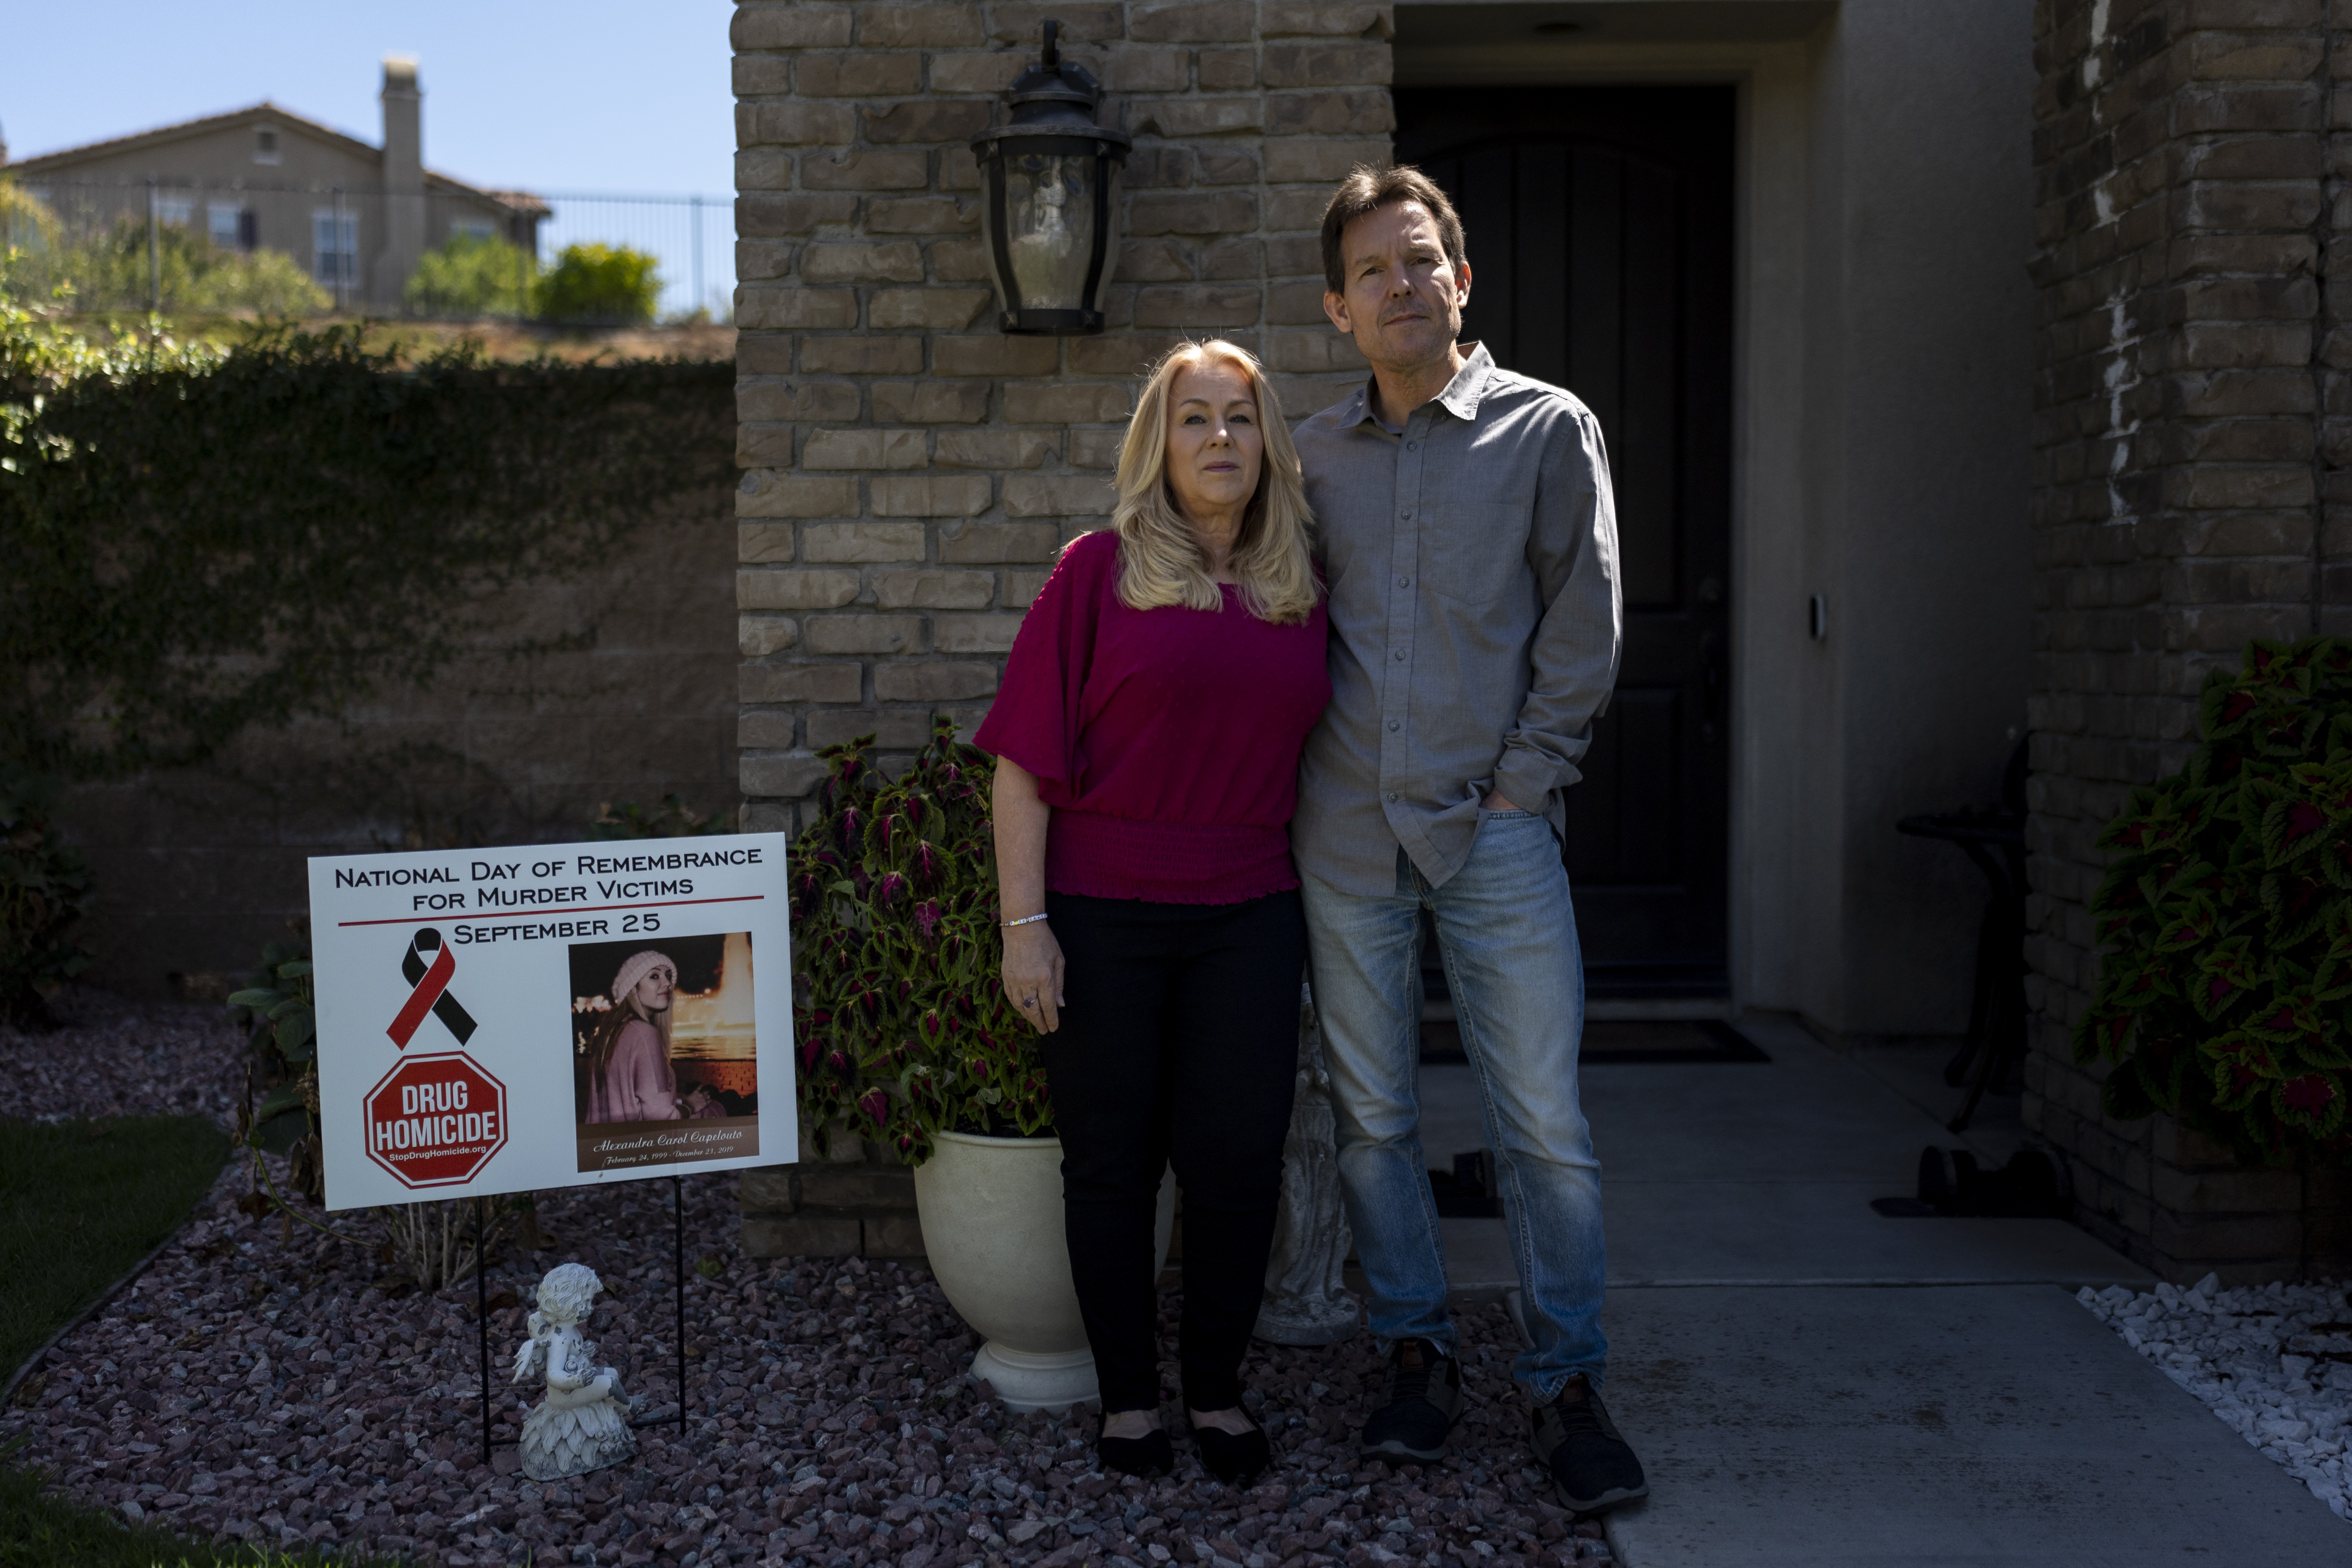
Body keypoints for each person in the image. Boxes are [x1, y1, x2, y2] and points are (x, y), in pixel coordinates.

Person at [1290, 164, 1649, 1514]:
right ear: (1338, 305)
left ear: (1463, 279)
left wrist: (1524, 783)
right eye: (1372, 270)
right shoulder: (1310, 455)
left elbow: (1586, 628)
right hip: (1343, 839)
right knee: (1374, 1120)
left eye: (1419, 259)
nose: (1400, 284)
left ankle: (1566, 1381)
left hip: (1495, 837)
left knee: (1543, 1128)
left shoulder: (1551, 430)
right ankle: (1417, 1359)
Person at [977, 340, 1331, 1485]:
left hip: (1247, 909)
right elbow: (1021, 763)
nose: (1219, 437)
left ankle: (1216, 1391)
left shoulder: (1301, 588)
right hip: (1100, 912)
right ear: (1158, 441)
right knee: (1112, 1166)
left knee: (1235, 1162)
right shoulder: (1095, 571)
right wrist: (1021, 925)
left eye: (1240, 417)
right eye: (1194, 417)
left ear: (1267, 442)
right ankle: (1130, 1398)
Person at [579, 950, 680, 1123]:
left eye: (668, 976)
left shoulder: (612, 1031)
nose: (668, 984)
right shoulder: (644, 1033)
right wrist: (691, 1107)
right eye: (654, 976)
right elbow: (660, 1117)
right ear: (632, 987)